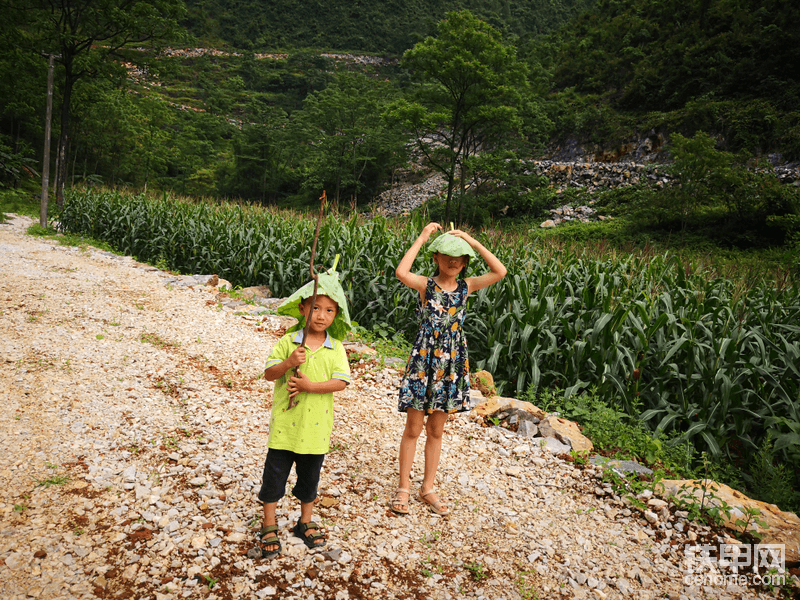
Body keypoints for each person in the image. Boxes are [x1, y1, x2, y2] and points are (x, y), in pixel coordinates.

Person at [392, 223, 507, 515]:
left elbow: (500, 271)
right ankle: (403, 488)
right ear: (436, 258)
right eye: (445, 255)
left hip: (452, 363)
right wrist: (423, 237)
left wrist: (471, 240)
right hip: (423, 361)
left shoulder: (467, 287)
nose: (452, 261)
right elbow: (401, 272)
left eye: (459, 257)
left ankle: (427, 487)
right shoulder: (426, 285)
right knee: (413, 428)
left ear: (466, 261)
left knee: (436, 430)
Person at [256, 268, 352, 558]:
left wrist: (310, 386)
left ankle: (305, 521)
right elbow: (269, 374)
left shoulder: (335, 348)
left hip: (315, 430)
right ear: (303, 308)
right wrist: (288, 363)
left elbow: (341, 382)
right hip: (286, 427)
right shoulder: (289, 342)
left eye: (329, 310)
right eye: (315, 308)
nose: (321, 316)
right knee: (274, 476)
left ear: (336, 315)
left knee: (309, 478)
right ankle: (268, 522)